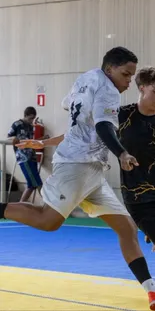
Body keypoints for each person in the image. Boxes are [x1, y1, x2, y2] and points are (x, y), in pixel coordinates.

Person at [1, 47, 155, 310]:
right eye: (126, 75)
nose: (129, 81)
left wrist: (43, 142)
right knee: (48, 221)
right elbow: (103, 127)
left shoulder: (84, 81)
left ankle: (151, 291)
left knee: (126, 229)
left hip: (92, 170)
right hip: (76, 165)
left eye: (132, 76)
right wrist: (121, 153)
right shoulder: (107, 91)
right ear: (110, 70)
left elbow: (77, 123)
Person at [117, 67, 155, 251]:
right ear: (141, 87)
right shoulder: (122, 115)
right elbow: (83, 133)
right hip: (139, 198)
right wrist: (43, 142)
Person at [8, 107, 43, 202]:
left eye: (33, 118)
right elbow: (8, 137)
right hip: (24, 158)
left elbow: (30, 140)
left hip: (32, 156)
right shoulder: (17, 124)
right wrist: (15, 139)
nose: (32, 121)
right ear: (25, 116)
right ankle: (49, 206)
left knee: (31, 185)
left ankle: (20, 206)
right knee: (38, 183)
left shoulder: (31, 126)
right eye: (30, 118)